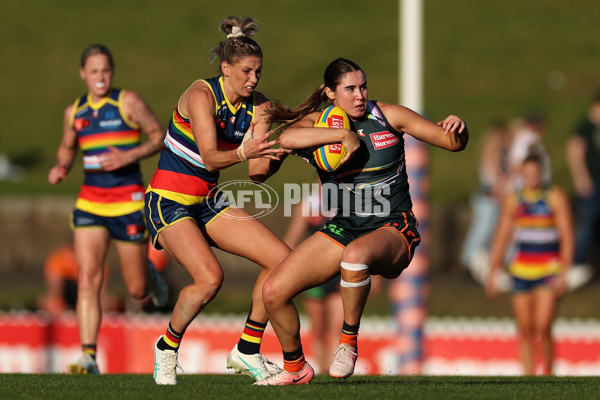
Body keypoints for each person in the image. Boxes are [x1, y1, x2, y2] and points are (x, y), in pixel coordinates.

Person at [256, 58, 468, 385]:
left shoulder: (388, 115)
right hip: (344, 227)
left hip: (393, 228)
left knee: (354, 256)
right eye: (350, 89)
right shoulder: (318, 124)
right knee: (273, 292)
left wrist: (458, 129)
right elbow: (286, 139)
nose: (360, 95)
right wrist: (341, 135)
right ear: (330, 93)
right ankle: (296, 368)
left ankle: (348, 343)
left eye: (363, 86)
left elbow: (451, 143)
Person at [145, 16, 289, 385]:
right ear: (226, 68)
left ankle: (247, 349)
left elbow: (256, 171)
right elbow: (210, 156)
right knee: (209, 279)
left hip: (207, 201)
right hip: (169, 200)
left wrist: (276, 154)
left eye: (258, 71)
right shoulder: (201, 95)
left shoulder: (260, 106)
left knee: (284, 263)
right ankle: (166, 347)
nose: (254, 79)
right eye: (246, 71)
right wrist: (246, 151)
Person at [47, 44, 169, 375]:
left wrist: (128, 156)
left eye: (106, 71)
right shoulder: (75, 112)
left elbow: (160, 136)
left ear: (111, 73)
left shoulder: (127, 102)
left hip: (128, 204)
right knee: (88, 278)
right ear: (83, 74)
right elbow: (67, 146)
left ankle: (151, 275)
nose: (100, 77)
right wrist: (61, 166)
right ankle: (88, 355)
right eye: (94, 71)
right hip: (90, 204)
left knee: (136, 290)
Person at [486, 154, 573, 375]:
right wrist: (493, 272)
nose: (532, 177)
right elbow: (501, 236)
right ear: (523, 174)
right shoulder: (514, 200)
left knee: (543, 326)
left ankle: (549, 370)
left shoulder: (555, 197)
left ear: (542, 173)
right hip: (521, 271)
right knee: (525, 329)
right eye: (528, 173)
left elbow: (567, 236)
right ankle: (528, 376)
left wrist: (565, 271)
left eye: (536, 173)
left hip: (548, 270)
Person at [282, 180, 344, 373]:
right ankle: (322, 367)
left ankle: (333, 369)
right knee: (318, 327)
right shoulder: (309, 203)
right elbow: (292, 237)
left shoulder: (348, 201)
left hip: (341, 271)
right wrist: (281, 267)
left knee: (337, 327)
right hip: (315, 271)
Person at [462, 120, 513, 289]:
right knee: (482, 230)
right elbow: (494, 174)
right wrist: (501, 187)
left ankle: (477, 264)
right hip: (489, 195)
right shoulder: (494, 149)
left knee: (487, 230)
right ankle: (469, 263)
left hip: (491, 195)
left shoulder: (493, 149)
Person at [565, 91, 600, 290]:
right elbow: (574, 152)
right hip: (591, 183)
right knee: (586, 224)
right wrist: (581, 178)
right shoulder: (585, 127)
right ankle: (577, 265)